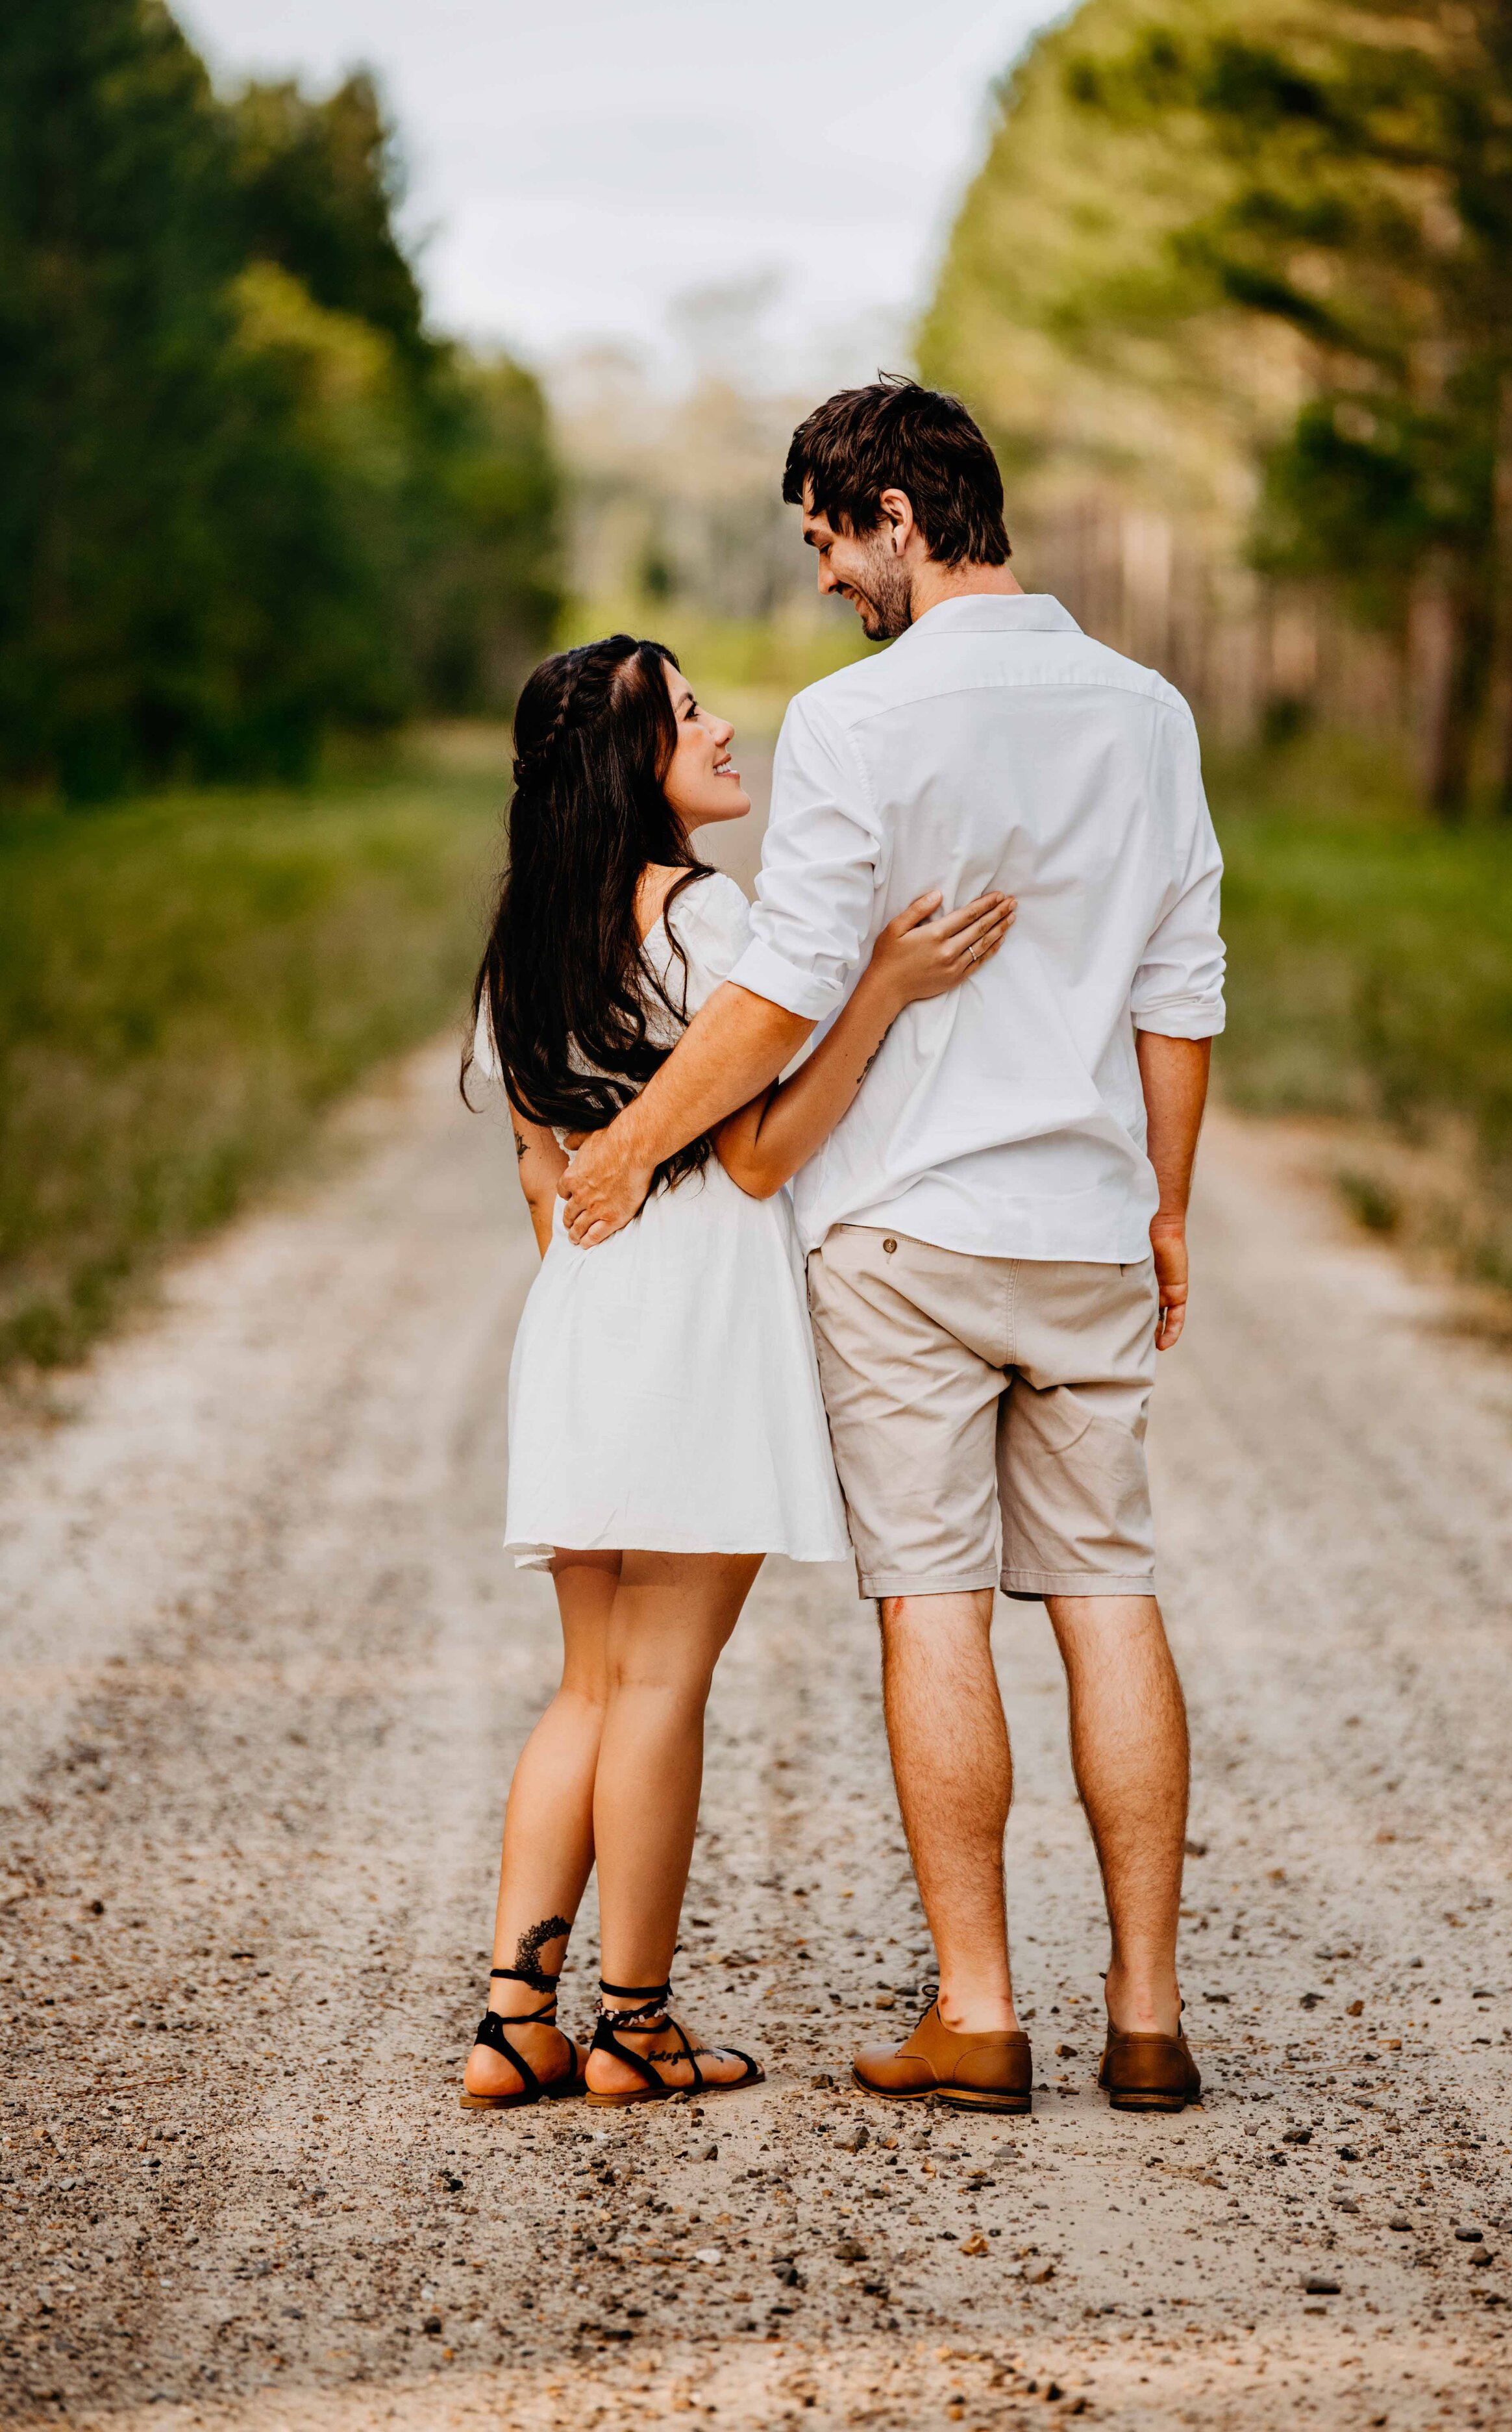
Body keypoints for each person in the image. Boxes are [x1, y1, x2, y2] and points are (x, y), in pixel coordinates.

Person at [554, 380, 1226, 2118]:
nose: (826, 578)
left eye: (826, 539)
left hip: (906, 1236)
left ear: (898, 519)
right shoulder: (1147, 713)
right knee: (1107, 1593)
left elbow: (780, 992)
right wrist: (1162, 1205)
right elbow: (1178, 989)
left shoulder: (857, 724)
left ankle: (980, 2012)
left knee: (933, 1602)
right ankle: (1145, 2018)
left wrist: (627, 1147)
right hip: (1081, 1223)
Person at [460, 630, 1015, 2109]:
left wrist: (600, 1304)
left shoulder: (522, 941)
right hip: (697, 1315)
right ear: (630, 767)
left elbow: (540, 1177)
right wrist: (879, 992)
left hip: (579, 1316)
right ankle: (632, 2027)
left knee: (586, 1684)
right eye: (686, 716)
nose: (719, 731)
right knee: (664, 1687)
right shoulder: (708, 921)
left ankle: (516, 2018)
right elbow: (758, 1156)